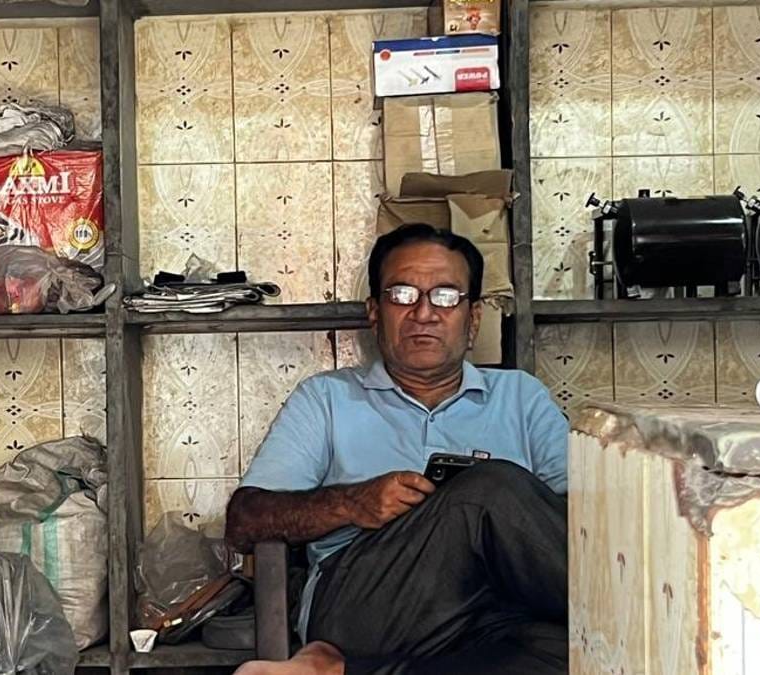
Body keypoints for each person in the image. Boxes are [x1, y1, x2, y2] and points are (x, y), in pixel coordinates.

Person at [226, 224, 569, 675]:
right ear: (374, 312)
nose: (424, 313)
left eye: (446, 296)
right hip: (368, 604)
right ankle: (640, 606)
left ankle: (334, 669)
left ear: (474, 318)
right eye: (403, 294)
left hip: (496, 619)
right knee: (487, 490)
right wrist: (351, 503)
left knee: (582, 653)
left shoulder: (521, 397)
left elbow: (576, 518)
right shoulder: (327, 399)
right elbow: (245, 520)